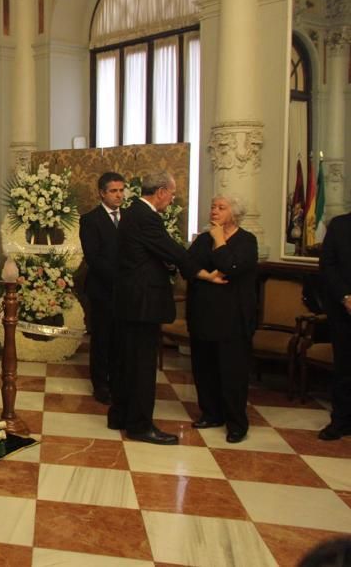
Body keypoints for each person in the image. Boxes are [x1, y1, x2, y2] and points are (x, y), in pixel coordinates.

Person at [108, 171, 226, 445]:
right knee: (142, 366)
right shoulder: (146, 216)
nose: (171, 200)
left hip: (130, 301)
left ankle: (121, 415)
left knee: (128, 361)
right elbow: (171, 250)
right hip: (142, 304)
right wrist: (203, 273)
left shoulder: (131, 213)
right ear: (160, 191)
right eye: (171, 194)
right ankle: (139, 426)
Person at [186, 195, 258, 443]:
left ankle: (236, 423)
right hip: (203, 315)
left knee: (232, 372)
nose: (214, 211)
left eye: (221, 207)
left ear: (234, 213)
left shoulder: (247, 240)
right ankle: (211, 413)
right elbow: (188, 266)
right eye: (213, 206)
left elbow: (232, 266)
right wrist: (206, 275)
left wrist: (219, 241)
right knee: (204, 368)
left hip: (233, 319)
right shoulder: (203, 239)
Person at [79, 171, 126, 405]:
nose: (119, 195)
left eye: (121, 190)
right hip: (102, 289)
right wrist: (121, 277)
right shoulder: (90, 220)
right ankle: (101, 384)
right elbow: (94, 258)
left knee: (121, 338)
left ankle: (119, 381)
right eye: (114, 191)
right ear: (102, 193)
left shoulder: (129, 218)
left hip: (126, 292)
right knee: (102, 338)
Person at [318, 209, 351, 440]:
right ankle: (340, 421)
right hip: (343, 311)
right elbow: (327, 265)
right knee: (344, 369)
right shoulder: (339, 225)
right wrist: (346, 297)